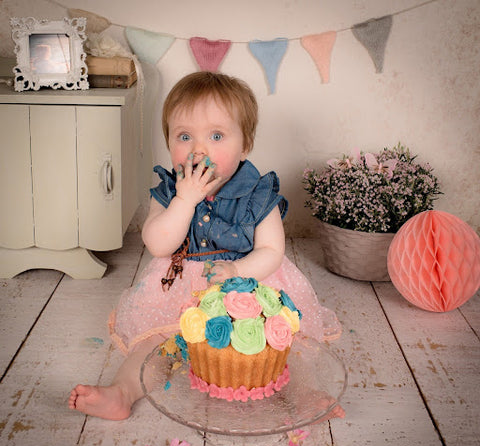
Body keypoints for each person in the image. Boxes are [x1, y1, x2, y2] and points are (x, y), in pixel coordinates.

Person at [68, 71, 342, 420]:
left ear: (245, 145)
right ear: (168, 144)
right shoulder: (170, 190)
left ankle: (306, 394)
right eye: (184, 136)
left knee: (283, 348)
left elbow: (272, 250)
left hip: (248, 286)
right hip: (179, 292)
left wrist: (237, 270)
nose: (199, 149)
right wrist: (185, 200)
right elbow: (157, 243)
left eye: (216, 135)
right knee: (156, 347)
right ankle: (122, 393)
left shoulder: (258, 193)